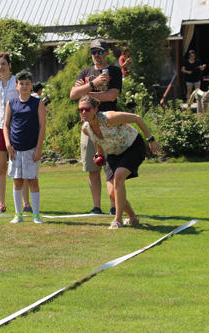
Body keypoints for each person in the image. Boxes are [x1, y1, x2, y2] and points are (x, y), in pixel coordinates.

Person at [78, 95, 160, 229]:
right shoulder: (85, 128)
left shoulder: (109, 117)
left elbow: (137, 118)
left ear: (95, 109)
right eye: (80, 110)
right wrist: (99, 154)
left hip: (133, 146)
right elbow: (97, 140)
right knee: (112, 193)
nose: (83, 112)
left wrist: (151, 139)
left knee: (118, 177)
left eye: (86, 109)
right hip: (113, 153)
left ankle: (118, 220)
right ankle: (133, 217)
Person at [69, 39, 121, 215]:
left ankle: (114, 207)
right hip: (88, 125)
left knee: (112, 167)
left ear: (106, 53)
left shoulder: (114, 71)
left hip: (108, 123)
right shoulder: (85, 72)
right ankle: (96, 207)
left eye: (100, 52)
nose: (96, 56)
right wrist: (93, 83)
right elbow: (73, 95)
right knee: (93, 167)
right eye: (94, 52)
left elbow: (111, 96)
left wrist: (86, 92)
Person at [0, 53, 32, 214]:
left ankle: (26, 203)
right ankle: (1, 204)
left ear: (9, 65)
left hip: (15, 130)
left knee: (21, 167)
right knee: (0, 169)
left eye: (3, 64)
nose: (1, 67)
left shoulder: (17, 82)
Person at [3, 70, 46, 224]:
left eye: (27, 83)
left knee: (33, 180)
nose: (24, 86)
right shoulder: (11, 103)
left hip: (31, 148)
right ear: (17, 86)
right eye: (21, 83)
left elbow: (42, 126)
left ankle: (36, 215)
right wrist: (8, 144)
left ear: (31, 85)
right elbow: (6, 125)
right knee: (17, 181)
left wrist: (39, 148)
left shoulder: (38, 103)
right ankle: (18, 214)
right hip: (15, 149)